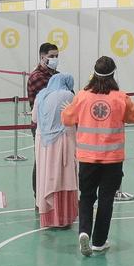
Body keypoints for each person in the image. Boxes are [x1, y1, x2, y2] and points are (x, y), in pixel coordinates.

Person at [62, 56, 134, 257]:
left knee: (87, 197)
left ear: (94, 73)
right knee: (106, 199)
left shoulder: (82, 96)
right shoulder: (119, 97)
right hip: (112, 159)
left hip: (87, 159)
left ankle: (84, 231)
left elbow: (67, 118)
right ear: (113, 74)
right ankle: (99, 241)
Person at [34, 71, 79, 230]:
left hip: (43, 143)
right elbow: (76, 117)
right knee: (63, 178)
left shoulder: (41, 95)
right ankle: (64, 217)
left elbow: (34, 119)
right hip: (64, 141)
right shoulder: (69, 95)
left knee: (46, 176)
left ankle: (49, 216)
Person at [25, 42, 59, 194]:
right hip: (41, 124)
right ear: (42, 57)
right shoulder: (37, 77)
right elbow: (53, 97)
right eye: (51, 56)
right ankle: (38, 194)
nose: (54, 59)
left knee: (53, 160)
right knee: (40, 161)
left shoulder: (56, 75)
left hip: (56, 123)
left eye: (57, 56)